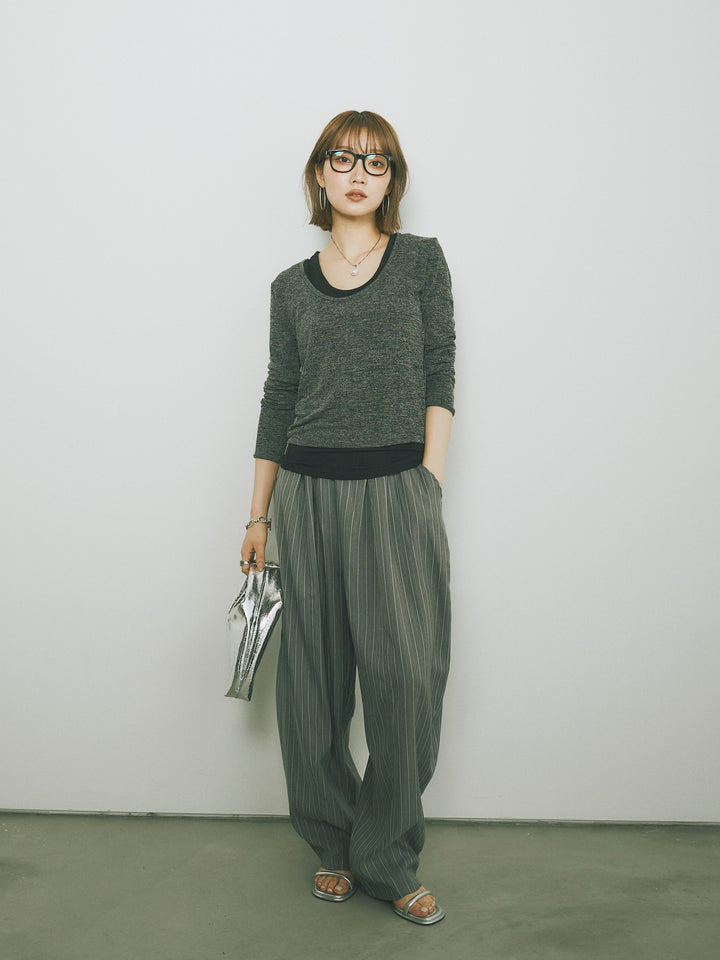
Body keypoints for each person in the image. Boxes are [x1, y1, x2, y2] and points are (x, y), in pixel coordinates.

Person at [240, 109, 455, 926]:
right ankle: (332, 841)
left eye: (376, 162)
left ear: (392, 180)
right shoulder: (289, 287)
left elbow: (440, 370)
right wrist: (258, 516)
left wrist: (427, 482)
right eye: (343, 158)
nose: (359, 174)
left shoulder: (421, 262)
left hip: (397, 490)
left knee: (406, 682)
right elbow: (279, 396)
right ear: (319, 174)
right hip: (306, 493)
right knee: (313, 687)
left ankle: (386, 855)